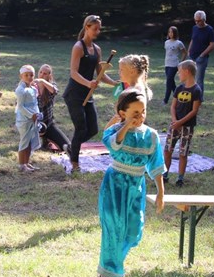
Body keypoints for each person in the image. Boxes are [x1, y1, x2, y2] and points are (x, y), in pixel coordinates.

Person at [97, 88, 165, 277]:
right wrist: (126, 125)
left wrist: (161, 192)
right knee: (114, 228)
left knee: (134, 231)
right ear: (122, 113)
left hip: (136, 186)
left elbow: (156, 165)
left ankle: (114, 262)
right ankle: (110, 272)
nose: (140, 116)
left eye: (143, 111)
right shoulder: (114, 131)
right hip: (115, 185)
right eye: (135, 113)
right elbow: (113, 144)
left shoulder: (151, 136)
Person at [63, 15, 118, 173]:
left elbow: (100, 74)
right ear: (87, 27)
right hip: (74, 94)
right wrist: (88, 83)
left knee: (93, 129)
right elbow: (73, 73)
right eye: (95, 29)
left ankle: (71, 147)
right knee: (81, 128)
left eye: (99, 29)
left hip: (88, 94)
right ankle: (75, 164)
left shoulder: (97, 49)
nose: (98, 32)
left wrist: (115, 83)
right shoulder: (78, 47)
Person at [163, 60, 202, 187]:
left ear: (187, 71)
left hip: (187, 127)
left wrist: (181, 122)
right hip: (174, 125)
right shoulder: (179, 88)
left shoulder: (196, 90)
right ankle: (165, 175)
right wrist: (175, 121)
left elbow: (194, 111)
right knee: (167, 150)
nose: (178, 74)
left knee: (183, 153)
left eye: (179, 72)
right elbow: (173, 106)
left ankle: (180, 178)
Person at [106, 54, 152, 128]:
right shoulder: (139, 87)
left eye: (121, 70)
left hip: (129, 129)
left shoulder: (132, 92)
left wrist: (107, 129)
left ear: (132, 72)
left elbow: (121, 116)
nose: (119, 72)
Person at [35, 64, 71, 154]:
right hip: (34, 124)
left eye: (45, 74)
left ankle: (46, 139)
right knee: (30, 147)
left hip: (48, 123)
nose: (42, 75)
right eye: (40, 72)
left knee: (67, 146)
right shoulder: (32, 86)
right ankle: (42, 140)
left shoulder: (51, 85)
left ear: (49, 76)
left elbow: (54, 91)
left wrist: (43, 81)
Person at [15, 65, 42, 172]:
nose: (29, 77)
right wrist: (31, 115)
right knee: (24, 142)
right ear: (21, 76)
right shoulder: (20, 90)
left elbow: (35, 104)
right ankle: (22, 164)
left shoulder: (33, 89)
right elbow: (20, 107)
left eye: (31, 75)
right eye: (26, 75)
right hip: (24, 120)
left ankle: (27, 162)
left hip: (33, 118)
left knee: (30, 142)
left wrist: (37, 114)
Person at [187, 10, 214, 99]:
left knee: (199, 80)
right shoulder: (194, 28)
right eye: (195, 20)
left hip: (201, 59)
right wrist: (189, 50)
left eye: (199, 21)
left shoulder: (209, 30)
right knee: (190, 78)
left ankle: (198, 99)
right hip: (192, 56)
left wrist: (202, 55)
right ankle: (190, 97)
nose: (197, 22)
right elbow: (193, 39)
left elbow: (213, 45)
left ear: (204, 19)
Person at [163, 26, 187, 105]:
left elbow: (184, 52)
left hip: (174, 65)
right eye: (169, 32)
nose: (170, 34)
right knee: (171, 82)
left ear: (175, 33)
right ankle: (179, 97)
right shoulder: (166, 42)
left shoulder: (178, 43)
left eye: (172, 32)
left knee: (169, 81)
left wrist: (181, 62)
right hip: (167, 64)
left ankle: (165, 100)